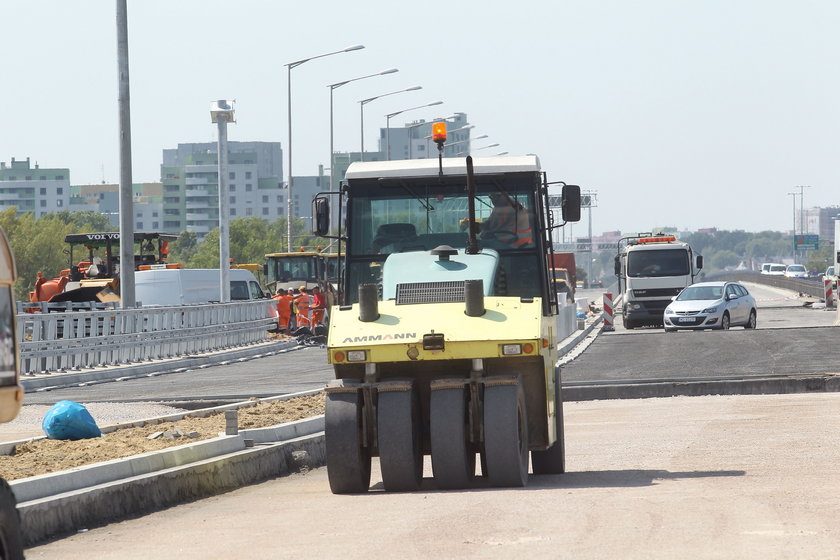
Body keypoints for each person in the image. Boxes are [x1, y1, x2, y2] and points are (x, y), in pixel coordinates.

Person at [462, 192, 533, 248]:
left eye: (494, 197)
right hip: (504, 244)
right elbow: (489, 224)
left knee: (482, 246)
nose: (492, 200)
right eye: (491, 197)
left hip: (518, 246)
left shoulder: (516, 210)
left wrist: (486, 232)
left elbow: (500, 228)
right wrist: (473, 224)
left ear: (503, 195)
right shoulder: (499, 208)